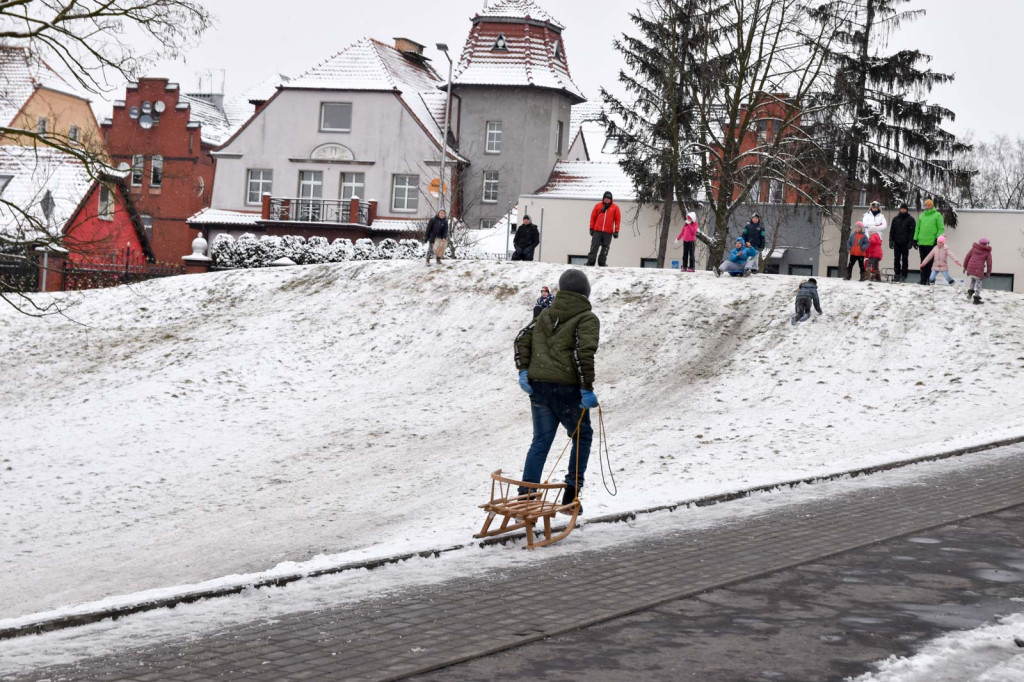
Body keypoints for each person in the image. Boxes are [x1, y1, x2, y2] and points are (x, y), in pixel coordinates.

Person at [515, 269, 599, 509]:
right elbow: (583, 353)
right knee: (582, 436)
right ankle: (571, 493)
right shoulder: (587, 318)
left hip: (539, 388)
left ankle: (527, 495)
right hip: (567, 391)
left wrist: (524, 370)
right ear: (586, 292)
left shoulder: (544, 314)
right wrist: (586, 388)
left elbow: (522, 338)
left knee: (541, 441)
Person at [913, 199, 945, 285]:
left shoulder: (937, 215)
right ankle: (923, 280)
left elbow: (941, 228)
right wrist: (915, 239)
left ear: (932, 206)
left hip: (932, 243)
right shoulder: (921, 216)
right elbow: (917, 228)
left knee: (931, 263)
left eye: (929, 205)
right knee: (923, 262)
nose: (927, 207)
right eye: (926, 205)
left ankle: (930, 280)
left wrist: (937, 239)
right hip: (922, 242)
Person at [586, 191, 621, 267]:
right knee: (594, 246)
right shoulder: (598, 206)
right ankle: (591, 262)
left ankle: (602, 262)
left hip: (608, 232)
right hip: (597, 231)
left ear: (611, 199)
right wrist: (591, 228)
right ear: (603, 198)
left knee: (605, 248)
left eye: (608, 198)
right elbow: (593, 217)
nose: (607, 200)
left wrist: (616, 230)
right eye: (606, 198)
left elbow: (617, 220)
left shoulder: (615, 208)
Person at [961, 237, 993, 305]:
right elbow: (989, 263)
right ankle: (976, 298)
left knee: (973, 280)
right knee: (979, 283)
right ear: (986, 244)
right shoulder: (987, 251)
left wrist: (964, 266)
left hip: (971, 267)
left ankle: (970, 293)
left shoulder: (974, 248)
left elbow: (967, 256)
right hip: (978, 269)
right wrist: (988, 272)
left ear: (979, 242)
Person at [889, 204, 916, 282]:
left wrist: (911, 241)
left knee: (905, 259)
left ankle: (904, 275)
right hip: (896, 242)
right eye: (901, 208)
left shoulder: (910, 219)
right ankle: (897, 274)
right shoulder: (895, 219)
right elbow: (892, 231)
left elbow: (912, 231)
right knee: (896, 259)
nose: (903, 210)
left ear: (907, 210)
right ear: (900, 209)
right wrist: (891, 240)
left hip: (905, 242)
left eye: (904, 209)